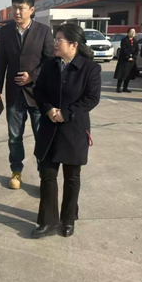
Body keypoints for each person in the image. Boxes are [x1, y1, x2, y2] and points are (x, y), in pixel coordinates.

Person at [31, 24, 101, 238]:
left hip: (74, 130)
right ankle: (48, 221)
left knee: (71, 176)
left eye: (59, 40)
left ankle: (68, 219)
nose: (55, 43)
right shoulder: (49, 64)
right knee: (47, 175)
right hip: (49, 128)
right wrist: (48, 109)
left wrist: (67, 113)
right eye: (55, 39)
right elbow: (38, 91)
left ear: (73, 45)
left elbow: (91, 98)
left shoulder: (90, 68)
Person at [0, 0, 54, 190]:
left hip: (38, 95)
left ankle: (44, 175)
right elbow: (0, 62)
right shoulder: (6, 32)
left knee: (41, 137)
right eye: (14, 8)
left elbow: (50, 61)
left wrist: (32, 76)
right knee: (14, 138)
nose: (17, 12)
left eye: (21, 8)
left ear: (32, 10)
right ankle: (16, 171)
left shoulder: (44, 31)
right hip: (14, 95)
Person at [113, 28, 139, 93]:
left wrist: (134, 57)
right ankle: (118, 87)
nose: (133, 33)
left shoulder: (135, 41)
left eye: (134, 32)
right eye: (131, 31)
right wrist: (128, 56)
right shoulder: (124, 40)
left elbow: (137, 50)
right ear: (128, 33)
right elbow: (124, 49)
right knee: (122, 74)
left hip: (131, 60)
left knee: (128, 75)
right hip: (124, 60)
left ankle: (125, 88)